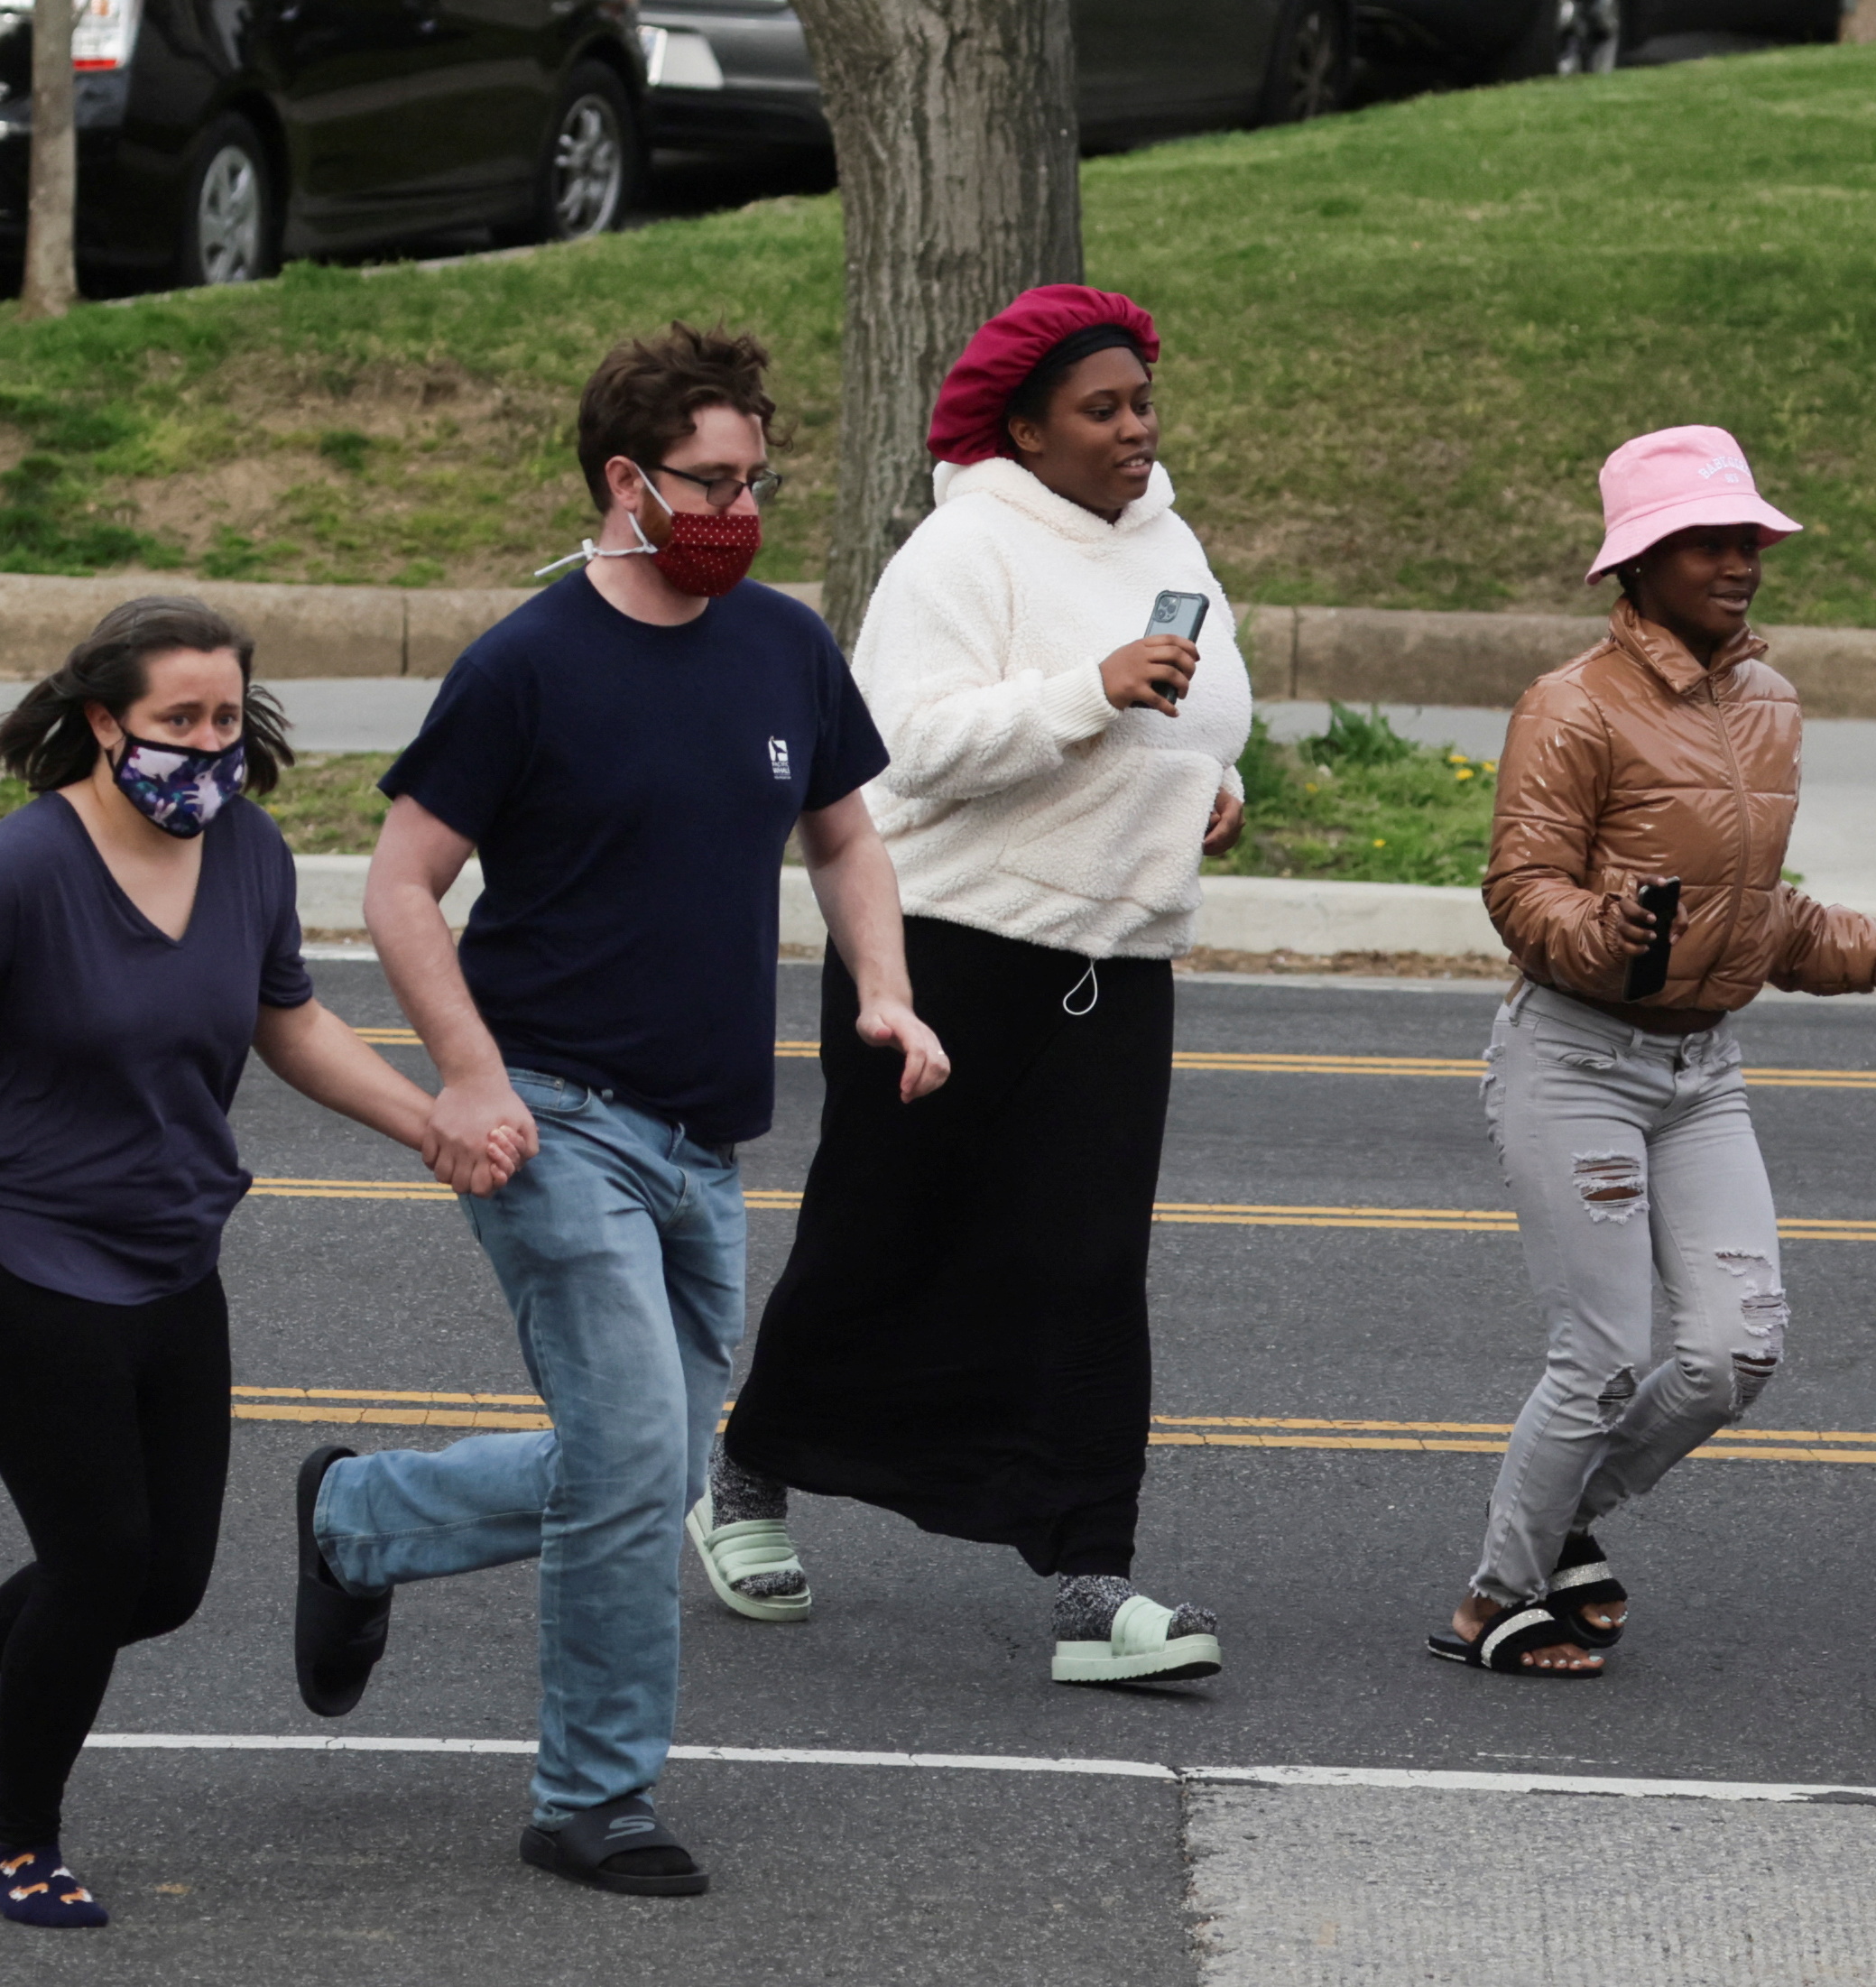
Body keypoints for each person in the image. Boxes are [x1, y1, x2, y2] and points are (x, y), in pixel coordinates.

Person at [0, 597, 505, 1928]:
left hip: (172, 1245)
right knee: (99, 1554)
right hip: (11, 1250)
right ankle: (24, 1839)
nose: (207, 744)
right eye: (178, 719)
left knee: (167, 1579)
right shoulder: (25, 866)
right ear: (105, 718)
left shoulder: (245, 850)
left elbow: (286, 1023)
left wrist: (429, 1124)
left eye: (227, 718)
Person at [290, 324, 948, 1899]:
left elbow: (845, 837)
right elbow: (396, 891)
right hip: (552, 1119)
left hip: (701, 1134)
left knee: (637, 1463)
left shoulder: (781, 643)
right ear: (623, 481)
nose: (738, 506)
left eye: (755, 477)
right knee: (644, 1453)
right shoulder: (527, 665)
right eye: (709, 481)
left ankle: (363, 1521)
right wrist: (468, 1077)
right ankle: (591, 1798)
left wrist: (885, 986)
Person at [702, 285, 1247, 1688]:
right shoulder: (961, 548)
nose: (1135, 428)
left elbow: (1196, 707)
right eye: (1101, 409)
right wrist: (1092, 690)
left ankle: (1088, 1575)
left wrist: (1210, 782)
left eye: (1141, 401)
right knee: (887, 1237)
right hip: (944, 949)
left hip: (1115, 963)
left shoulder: (1168, 534)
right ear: (1024, 428)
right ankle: (750, 1474)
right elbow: (909, 746)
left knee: (1083, 1265)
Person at [1427, 426, 1876, 1677]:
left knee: (1736, 1347)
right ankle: (1491, 1600)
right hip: (1573, 1058)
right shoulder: (1569, 706)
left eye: (1748, 540)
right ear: (1641, 563)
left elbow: (1761, 915)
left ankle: (1559, 1520)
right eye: (1707, 543)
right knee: (1603, 1358)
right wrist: (1597, 928)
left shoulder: (1769, 706)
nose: (1739, 562)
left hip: (1700, 1070)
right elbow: (1519, 888)